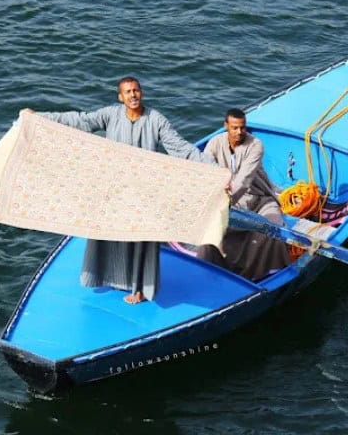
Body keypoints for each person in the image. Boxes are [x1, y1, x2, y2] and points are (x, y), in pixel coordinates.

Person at [20, 77, 212, 304]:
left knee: (143, 240)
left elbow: (181, 148)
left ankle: (139, 289)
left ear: (141, 93)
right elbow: (80, 120)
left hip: (143, 191)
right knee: (108, 235)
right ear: (120, 97)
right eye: (128, 92)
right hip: (114, 190)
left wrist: (213, 170)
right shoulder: (111, 114)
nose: (133, 95)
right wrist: (39, 117)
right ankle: (108, 277)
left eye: (137, 91)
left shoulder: (155, 119)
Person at [196, 108, 291, 280]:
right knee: (210, 234)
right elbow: (206, 171)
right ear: (226, 126)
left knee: (274, 228)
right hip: (230, 202)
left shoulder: (256, 145)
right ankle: (210, 270)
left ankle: (268, 273)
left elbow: (244, 179)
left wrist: (226, 203)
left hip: (260, 199)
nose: (239, 132)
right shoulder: (214, 143)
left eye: (242, 128)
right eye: (234, 128)